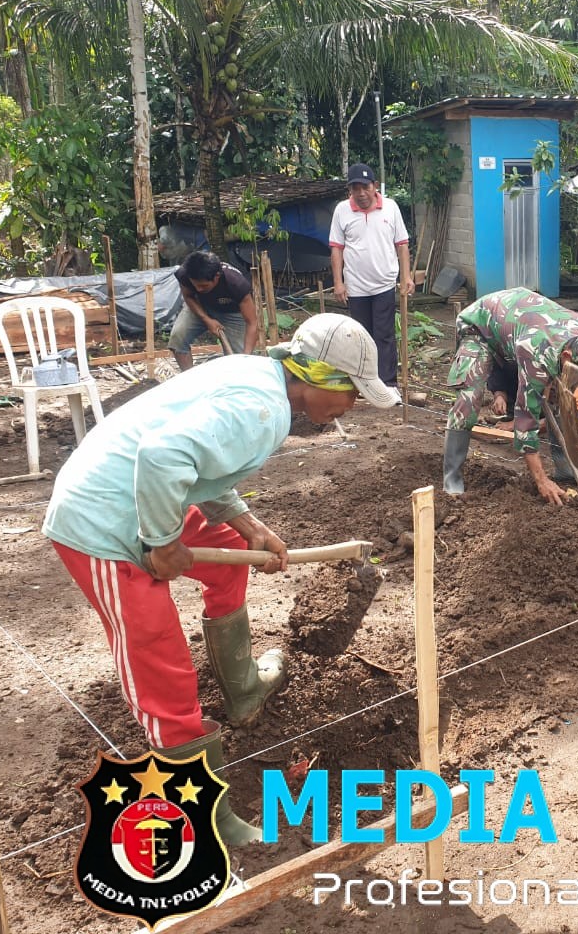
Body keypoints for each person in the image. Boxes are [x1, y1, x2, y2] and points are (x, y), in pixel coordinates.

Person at [43, 314, 400, 844]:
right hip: (103, 522)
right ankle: (197, 809)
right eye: (352, 396)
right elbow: (163, 457)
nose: (352, 408)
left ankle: (243, 689)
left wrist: (247, 524)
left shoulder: (259, 375)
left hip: (144, 497)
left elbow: (197, 466)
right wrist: (163, 544)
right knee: (160, 663)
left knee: (233, 550)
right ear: (325, 380)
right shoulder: (263, 411)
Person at [443, 288, 578, 504]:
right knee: (469, 399)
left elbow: (571, 382)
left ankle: (566, 469)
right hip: (479, 325)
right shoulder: (537, 351)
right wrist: (541, 480)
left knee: (563, 394)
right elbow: (525, 418)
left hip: (519, 324)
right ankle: (452, 482)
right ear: (567, 356)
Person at [329, 162, 415, 387]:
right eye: (355, 188)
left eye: (365, 187)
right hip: (356, 286)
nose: (361, 193)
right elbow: (336, 248)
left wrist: (406, 277)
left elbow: (402, 244)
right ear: (350, 190)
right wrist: (338, 283)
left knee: (384, 335)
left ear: (374, 186)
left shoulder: (391, 207)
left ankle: (387, 384)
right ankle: (364, 383)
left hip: (384, 283)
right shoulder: (342, 210)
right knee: (360, 336)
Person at [168, 251, 259, 371]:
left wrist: (245, 356)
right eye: (195, 285)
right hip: (199, 306)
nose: (198, 289)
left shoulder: (236, 283)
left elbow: (252, 323)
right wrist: (206, 319)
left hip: (233, 313)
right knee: (178, 338)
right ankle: (189, 380)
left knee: (239, 357)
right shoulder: (184, 274)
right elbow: (189, 296)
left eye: (204, 286)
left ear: (217, 276)